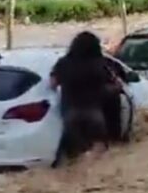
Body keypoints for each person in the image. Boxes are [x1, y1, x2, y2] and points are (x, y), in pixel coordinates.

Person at [49, 31, 123, 161]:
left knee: (74, 157)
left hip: (70, 115)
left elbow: (52, 84)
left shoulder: (63, 63)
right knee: (99, 154)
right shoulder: (100, 64)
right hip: (94, 114)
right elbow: (116, 85)